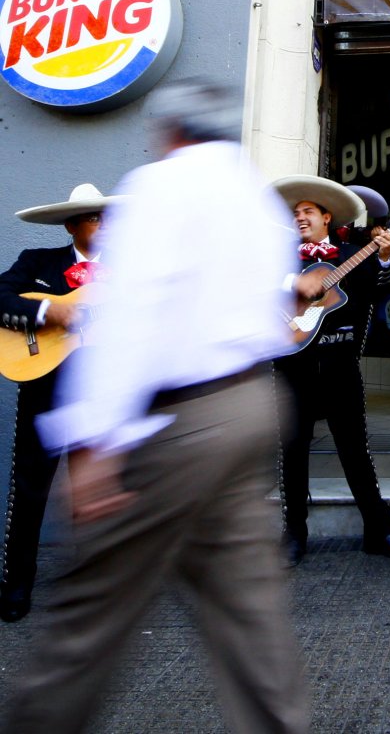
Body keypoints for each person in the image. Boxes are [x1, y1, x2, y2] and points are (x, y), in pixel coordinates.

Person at [5, 78, 310, 732]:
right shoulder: (258, 200)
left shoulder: (159, 187)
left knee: (91, 609)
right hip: (251, 402)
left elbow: (128, 318)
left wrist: (93, 442)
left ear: (170, 132)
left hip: (180, 420)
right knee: (248, 610)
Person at [272, 175, 390, 566]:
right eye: (296, 212)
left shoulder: (354, 253)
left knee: (355, 450)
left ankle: (379, 530)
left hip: (340, 364)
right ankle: (294, 534)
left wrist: (385, 256)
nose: (300, 217)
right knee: (293, 449)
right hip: (293, 363)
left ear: (326, 216)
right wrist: (294, 280)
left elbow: (380, 287)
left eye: (308, 212)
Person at [0, 183, 120, 623]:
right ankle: (16, 583)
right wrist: (50, 311)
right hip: (45, 388)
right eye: (94, 218)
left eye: (107, 217)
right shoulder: (38, 262)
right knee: (31, 489)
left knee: (95, 491)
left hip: (100, 393)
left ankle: (97, 588)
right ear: (72, 226)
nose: (105, 225)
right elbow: (1, 298)